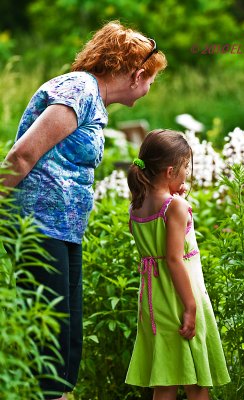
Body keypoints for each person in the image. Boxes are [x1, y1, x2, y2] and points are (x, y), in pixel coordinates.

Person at [0, 21, 167, 400]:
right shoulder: (78, 89)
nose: (150, 87)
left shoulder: (91, 95)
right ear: (138, 72)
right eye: (151, 78)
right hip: (38, 226)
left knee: (67, 338)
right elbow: (22, 155)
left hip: (62, 229)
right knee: (51, 344)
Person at [126, 129, 231, 400]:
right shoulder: (175, 207)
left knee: (166, 379)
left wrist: (177, 194)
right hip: (180, 297)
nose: (187, 173)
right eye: (186, 167)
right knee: (196, 380)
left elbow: (159, 236)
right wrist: (191, 307)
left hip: (153, 300)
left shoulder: (136, 205)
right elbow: (174, 259)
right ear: (171, 171)